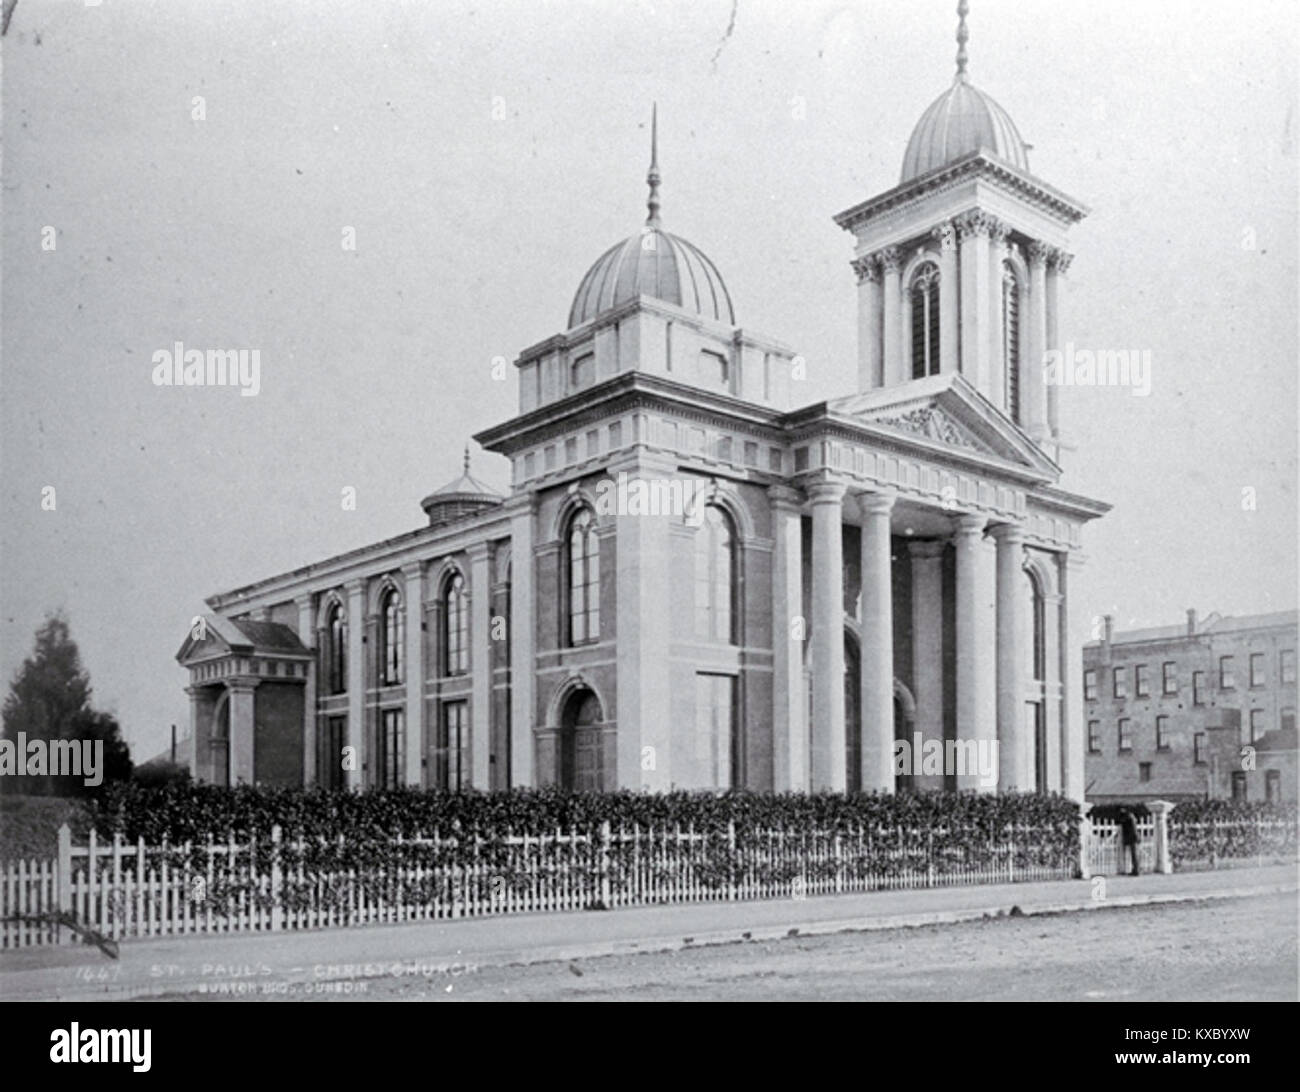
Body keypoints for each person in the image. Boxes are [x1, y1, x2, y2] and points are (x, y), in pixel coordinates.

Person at [1119, 807, 1140, 876]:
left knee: (1134, 855)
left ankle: (1136, 870)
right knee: (1134, 855)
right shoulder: (1131, 817)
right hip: (1133, 837)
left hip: (1132, 838)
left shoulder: (1128, 817)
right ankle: (1135, 869)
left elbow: (1129, 827)